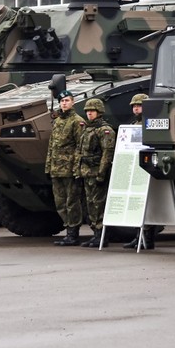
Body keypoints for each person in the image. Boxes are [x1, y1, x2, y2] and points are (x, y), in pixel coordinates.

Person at [74, 98, 116, 248]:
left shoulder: (105, 130)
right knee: (90, 203)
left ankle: (102, 234)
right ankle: (96, 233)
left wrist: (101, 173)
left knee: (99, 204)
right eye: (87, 111)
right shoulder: (86, 129)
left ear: (99, 112)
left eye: (92, 111)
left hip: (97, 172)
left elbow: (107, 153)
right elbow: (79, 151)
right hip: (86, 172)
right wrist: (78, 170)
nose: (89, 113)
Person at [45, 90, 85, 246]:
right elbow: (51, 147)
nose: (64, 103)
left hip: (69, 169)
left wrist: (77, 169)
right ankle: (68, 228)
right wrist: (48, 167)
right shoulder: (58, 122)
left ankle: (73, 233)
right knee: (60, 202)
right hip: (56, 169)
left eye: (67, 100)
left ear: (73, 102)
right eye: (62, 101)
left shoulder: (77, 121)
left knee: (72, 201)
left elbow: (80, 147)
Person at [123, 93, 156, 250]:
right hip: (134, 167)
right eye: (134, 106)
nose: (136, 108)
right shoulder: (133, 124)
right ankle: (139, 237)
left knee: (147, 205)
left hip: (147, 169)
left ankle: (147, 239)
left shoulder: (150, 124)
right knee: (137, 204)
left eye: (139, 105)